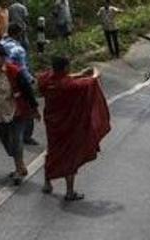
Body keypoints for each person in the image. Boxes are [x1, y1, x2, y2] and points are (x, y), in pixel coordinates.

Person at [36, 56, 111, 200]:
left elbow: (59, 79)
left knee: (52, 151)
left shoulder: (46, 80)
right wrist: (95, 72)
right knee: (69, 156)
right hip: (69, 125)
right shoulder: (71, 86)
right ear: (66, 67)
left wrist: (80, 74)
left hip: (52, 123)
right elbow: (92, 81)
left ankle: (47, 183)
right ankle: (69, 192)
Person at [0, 43, 39, 185]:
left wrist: (34, 108)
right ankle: (20, 163)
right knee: (7, 143)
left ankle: (19, 168)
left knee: (16, 140)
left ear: (3, 57)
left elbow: (27, 90)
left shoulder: (14, 71)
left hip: (16, 111)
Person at [2, 23, 38, 145]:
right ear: (18, 34)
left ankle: (8, 131)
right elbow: (22, 69)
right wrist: (31, 80)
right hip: (20, 80)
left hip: (4, 79)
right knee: (28, 106)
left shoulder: (1, 44)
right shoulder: (18, 49)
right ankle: (27, 135)